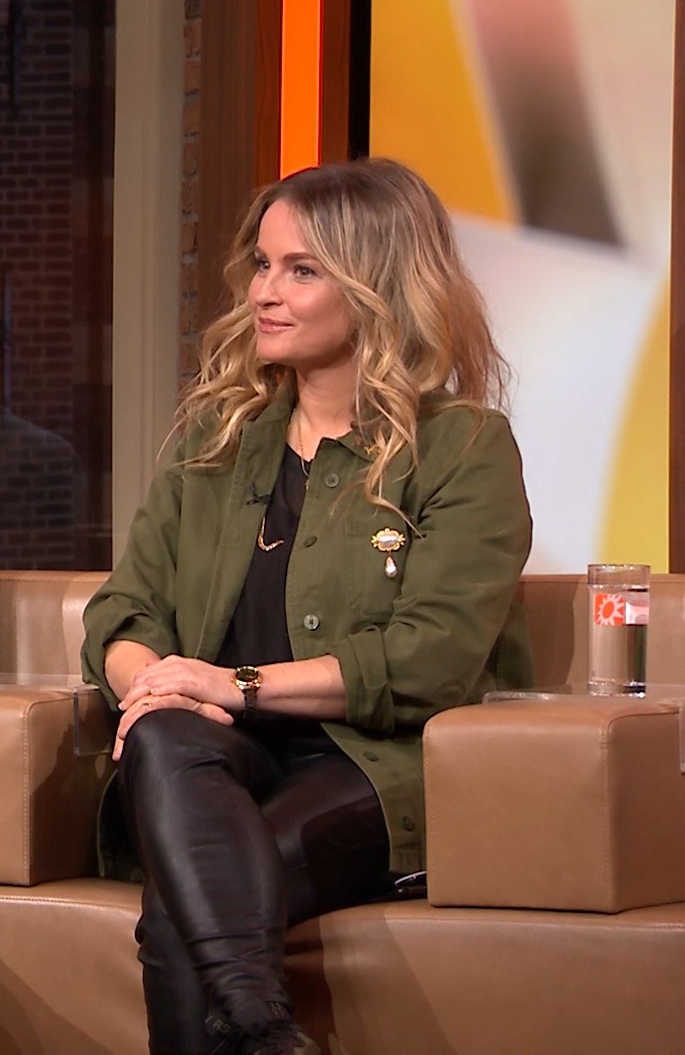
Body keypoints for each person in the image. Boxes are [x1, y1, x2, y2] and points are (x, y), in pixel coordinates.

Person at [81, 158, 533, 1055]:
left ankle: (254, 1021)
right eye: (262, 265)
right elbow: (122, 612)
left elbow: (433, 657)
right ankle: (265, 1030)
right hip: (210, 759)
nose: (264, 292)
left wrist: (232, 683)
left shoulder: (462, 447)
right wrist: (156, 686)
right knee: (165, 734)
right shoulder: (217, 441)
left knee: (185, 908)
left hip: (367, 766)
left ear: (375, 289)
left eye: (301, 270)